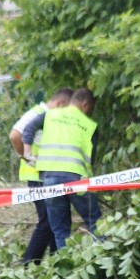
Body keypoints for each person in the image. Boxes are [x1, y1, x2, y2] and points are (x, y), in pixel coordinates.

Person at [21, 87, 101, 250]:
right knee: (95, 221)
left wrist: (28, 154)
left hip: (49, 178)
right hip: (77, 178)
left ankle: (65, 270)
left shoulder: (50, 115)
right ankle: (102, 260)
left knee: (60, 230)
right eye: (90, 109)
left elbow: (28, 130)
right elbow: (91, 159)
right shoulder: (90, 125)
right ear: (85, 105)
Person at [9, 87, 73, 264]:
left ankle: (55, 261)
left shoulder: (47, 115)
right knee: (46, 222)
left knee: (55, 221)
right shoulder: (38, 113)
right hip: (36, 175)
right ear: (60, 104)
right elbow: (15, 135)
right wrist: (25, 157)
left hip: (47, 175)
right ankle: (29, 263)